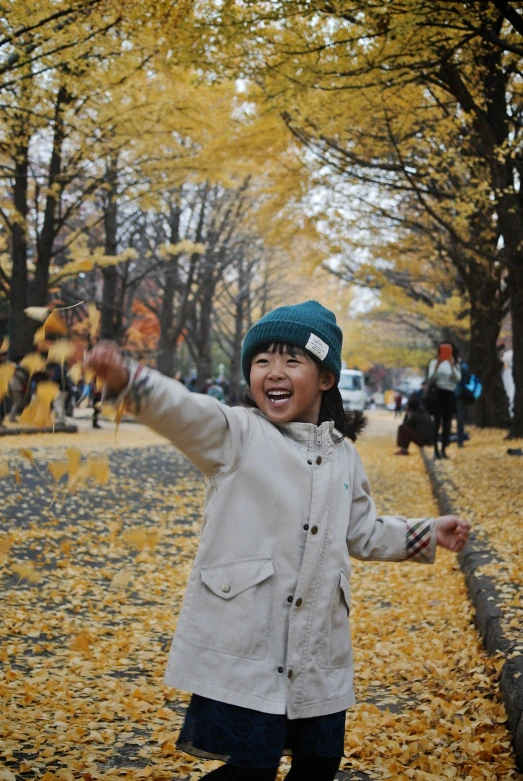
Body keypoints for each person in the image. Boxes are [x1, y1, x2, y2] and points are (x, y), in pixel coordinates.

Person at [85, 300, 470, 781]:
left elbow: (363, 531)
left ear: (325, 378)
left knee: (320, 763)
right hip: (249, 642)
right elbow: (183, 410)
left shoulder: (343, 456)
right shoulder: (237, 435)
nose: (274, 372)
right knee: (250, 769)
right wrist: (128, 379)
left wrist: (428, 532)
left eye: (292, 360)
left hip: (318, 650)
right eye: (262, 361)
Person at [427, 344, 461, 460]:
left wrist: (452, 366)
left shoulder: (454, 363)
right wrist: (437, 365)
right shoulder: (434, 363)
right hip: (438, 393)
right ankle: (435, 449)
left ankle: (444, 449)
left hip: (450, 394)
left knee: (447, 422)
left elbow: (457, 379)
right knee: (436, 422)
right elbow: (431, 378)